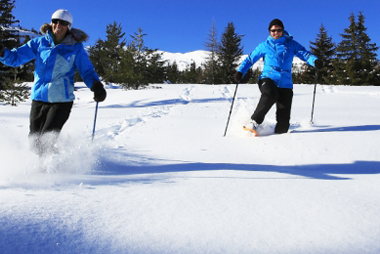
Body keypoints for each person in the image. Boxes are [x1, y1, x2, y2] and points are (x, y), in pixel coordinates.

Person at [0, 9, 107, 155]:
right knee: (34, 142)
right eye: (55, 21)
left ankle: (50, 172)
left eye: (63, 23)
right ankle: (50, 163)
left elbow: (86, 71)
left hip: (61, 102)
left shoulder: (75, 48)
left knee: (46, 140)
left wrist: (96, 85)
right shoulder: (39, 43)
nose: (58, 25)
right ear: (51, 23)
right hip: (39, 99)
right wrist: (2, 53)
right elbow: (16, 57)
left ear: (68, 26)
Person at [234, 18, 322, 135]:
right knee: (271, 94)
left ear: (282, 30)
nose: (276, 33)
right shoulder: (264, 45)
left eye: (278, 30)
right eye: (273, 30)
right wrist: (240, 72)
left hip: (285, 83)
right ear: (269, 32)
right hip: (268, 78)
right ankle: (254, 122)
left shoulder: (291, 44)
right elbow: (250, 60)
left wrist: (315, 61)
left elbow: (305, 54)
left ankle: (279, 139)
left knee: (283, 123)